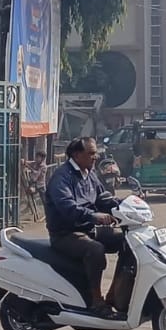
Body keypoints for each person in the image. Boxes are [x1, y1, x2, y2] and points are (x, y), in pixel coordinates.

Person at [45, 137, 127, 319]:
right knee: (95, 250)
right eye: (90, 153)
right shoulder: (62, 177)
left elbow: (103, 198)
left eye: (95, 153)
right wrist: (93, 216)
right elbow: (67, 207)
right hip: (66, 233)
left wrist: (127, 203)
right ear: (76, 155)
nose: (95, 157)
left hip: (88, 229)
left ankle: (115, 295)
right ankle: (96, 301)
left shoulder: (89, 173)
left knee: (126, 240)